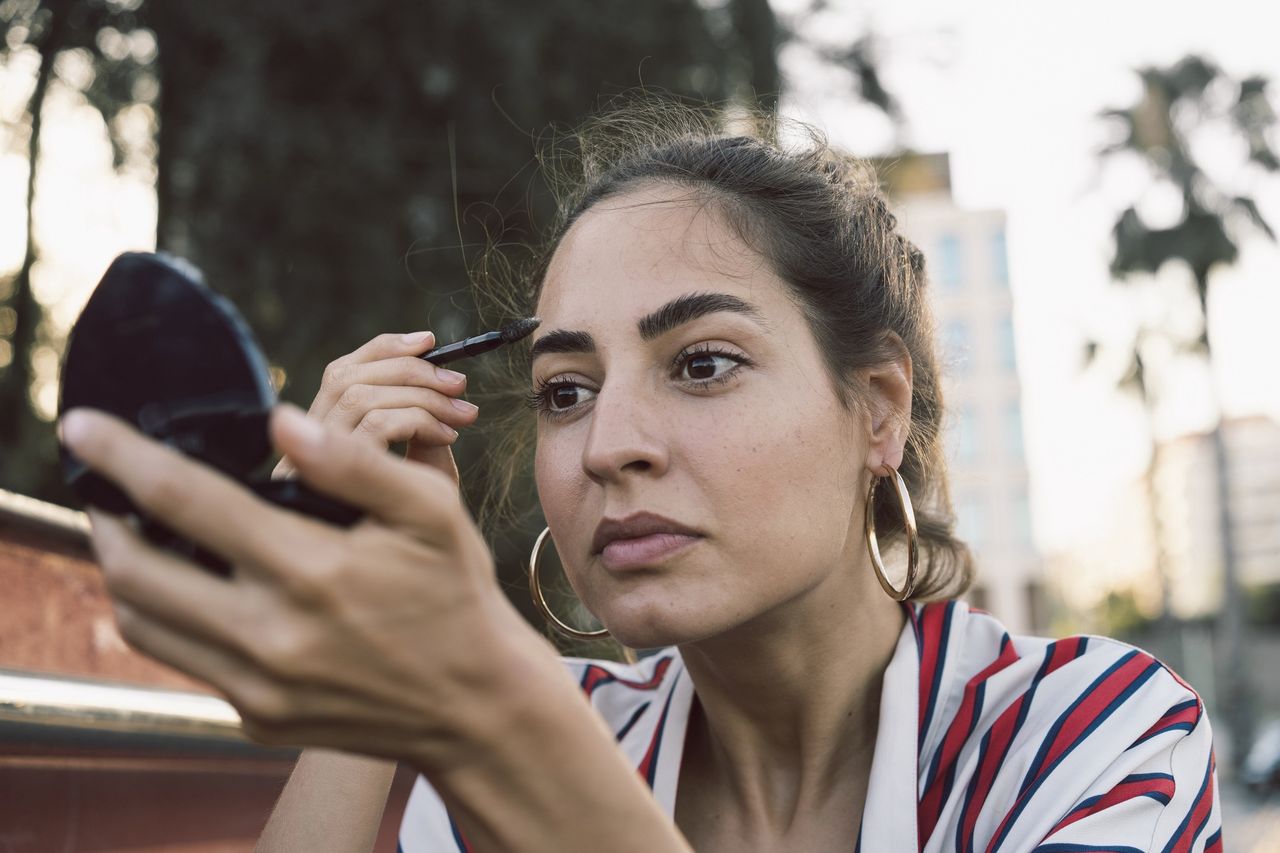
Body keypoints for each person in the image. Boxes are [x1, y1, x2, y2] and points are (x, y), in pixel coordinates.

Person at [59, 106, 1223, 852]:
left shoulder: (1090, 732)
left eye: (701, 363)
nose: (610, 440)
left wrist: (491, 718)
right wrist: (386, 657)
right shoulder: (568, 735)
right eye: (564, 389)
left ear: (876, 410)